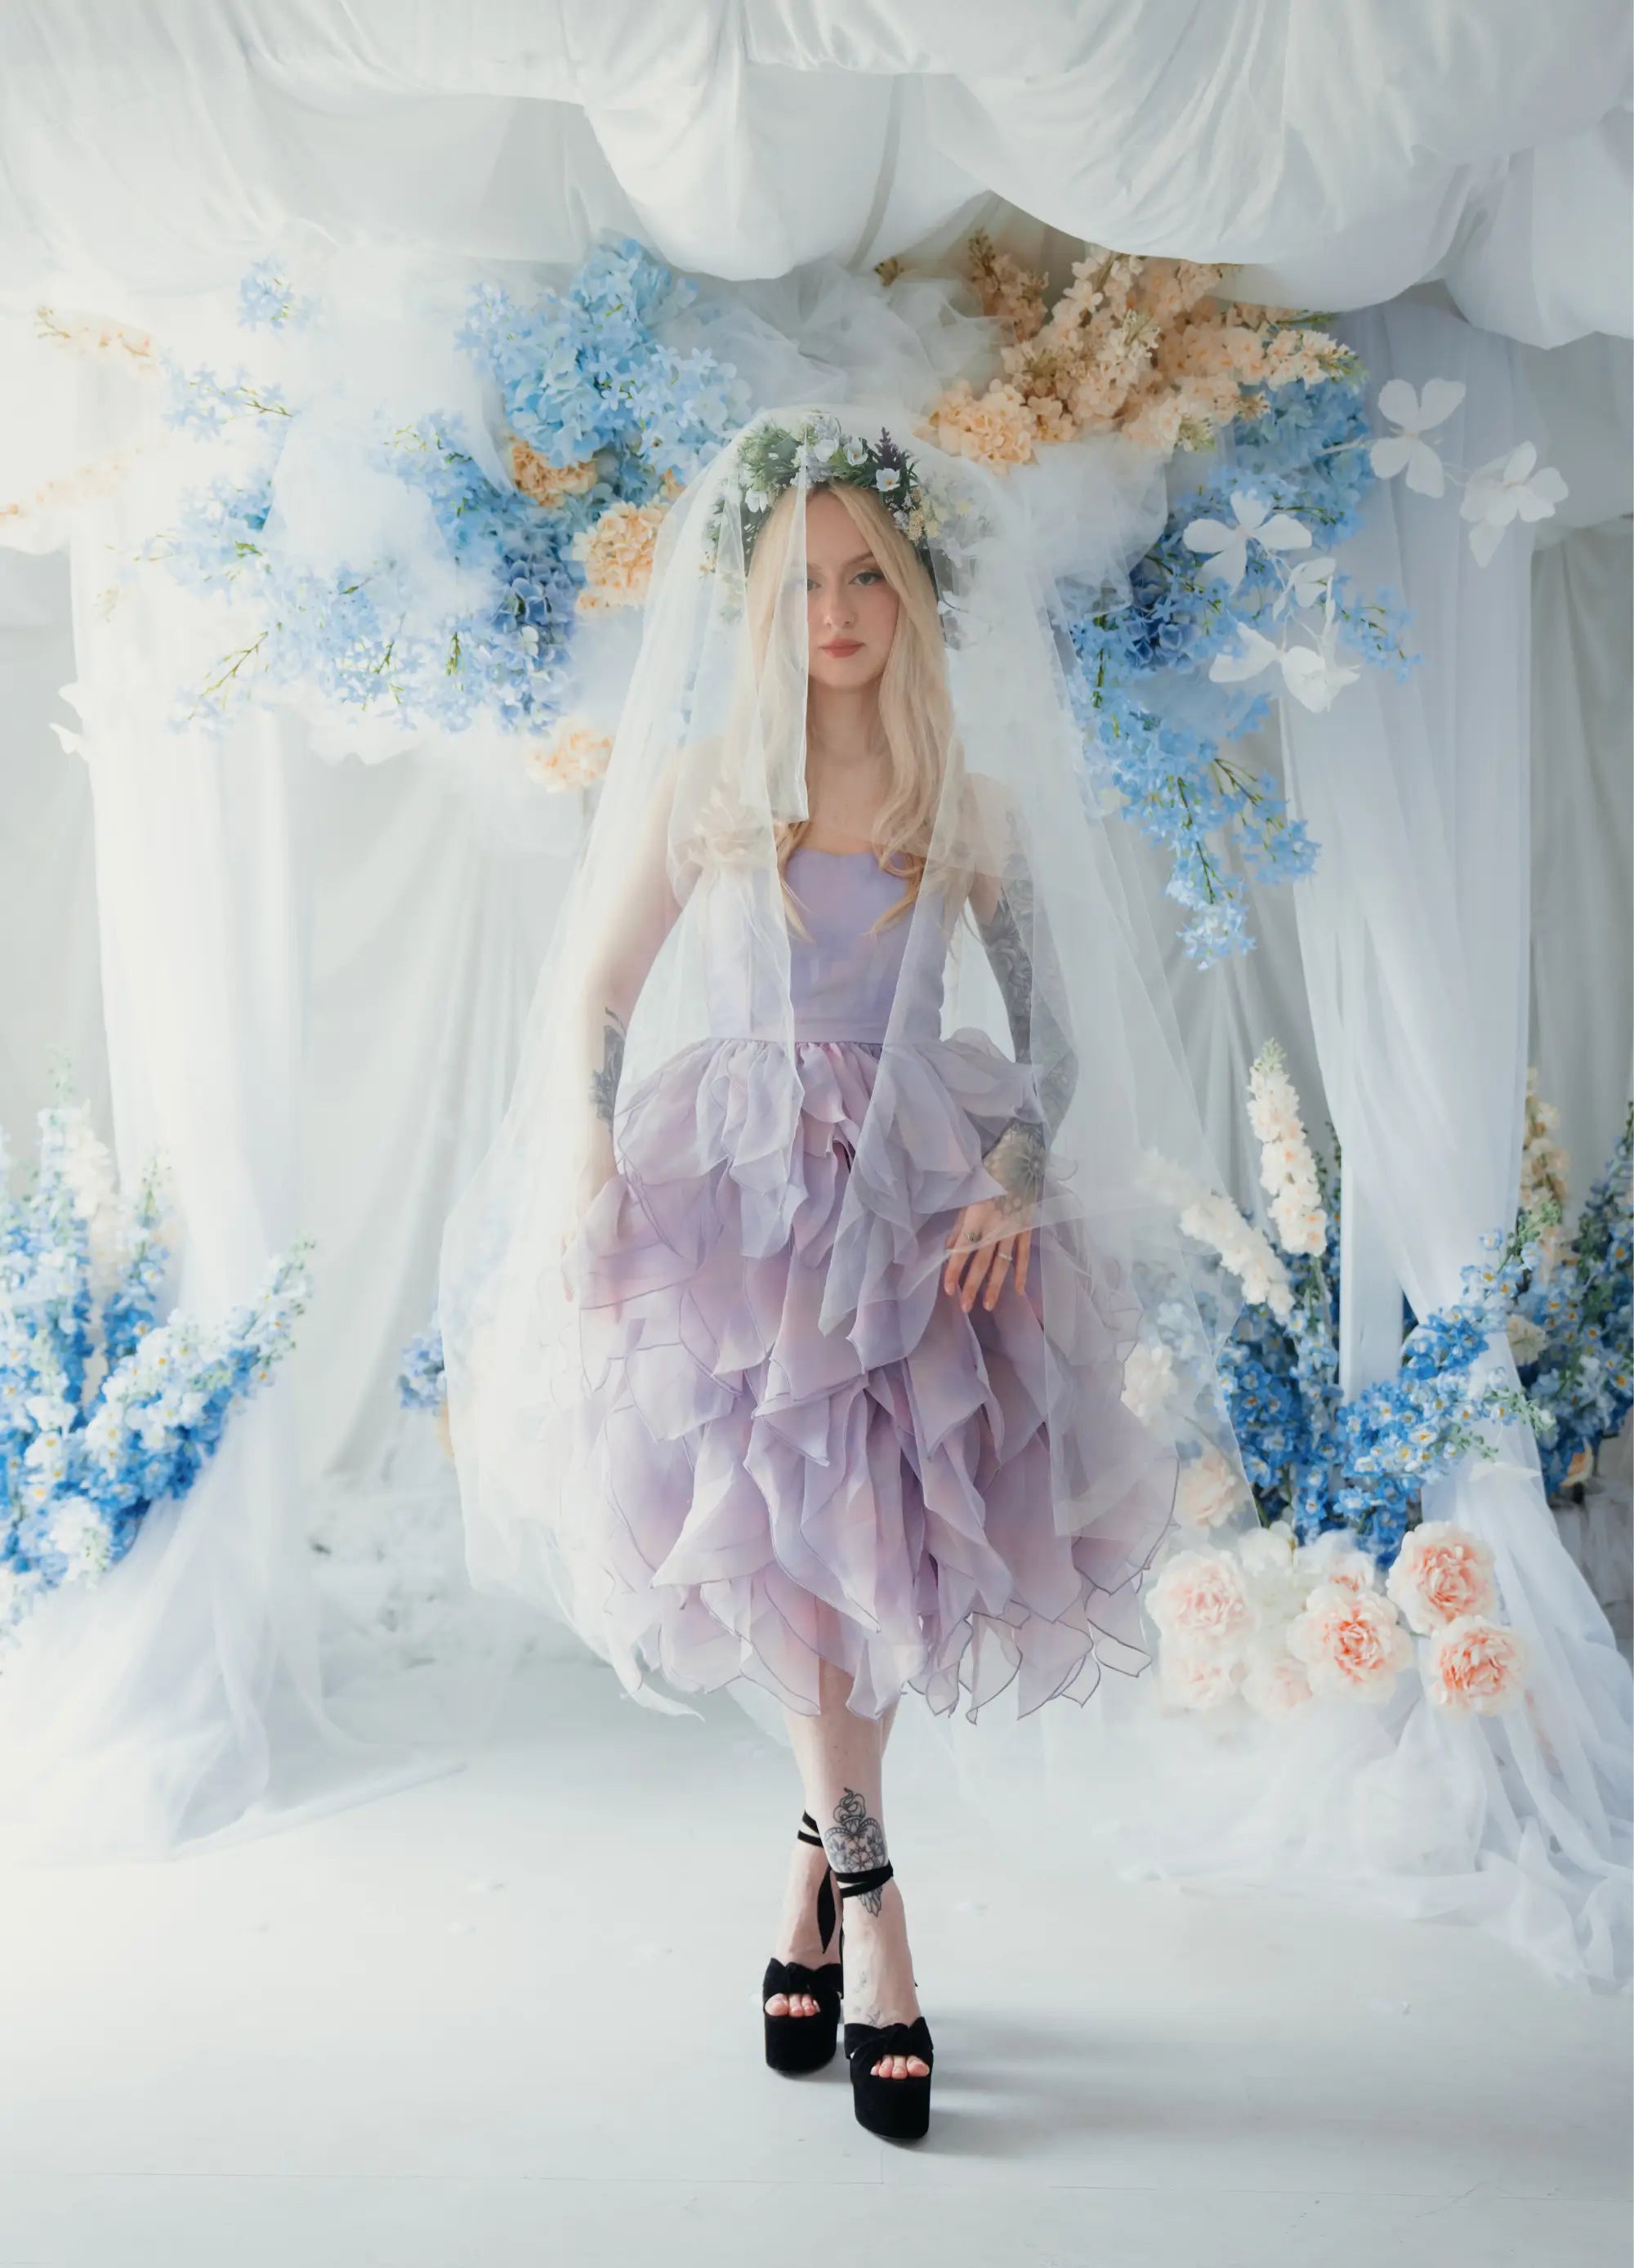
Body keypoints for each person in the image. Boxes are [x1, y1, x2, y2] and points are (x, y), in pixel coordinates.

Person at [440, 409, 1242, 2145]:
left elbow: (1062, 1044)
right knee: (796, 1551)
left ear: (913, 596)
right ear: (755, 607)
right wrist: (586, 1151)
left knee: (863, 1551)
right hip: (735, 1199)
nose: (836, 609)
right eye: (801, 582)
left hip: (914, 1194)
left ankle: (813, 1874)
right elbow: (589, 997)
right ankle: (878, 1918)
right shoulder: (712, 791)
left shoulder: (973, 806)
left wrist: (1017, 1176)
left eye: (865, 573)